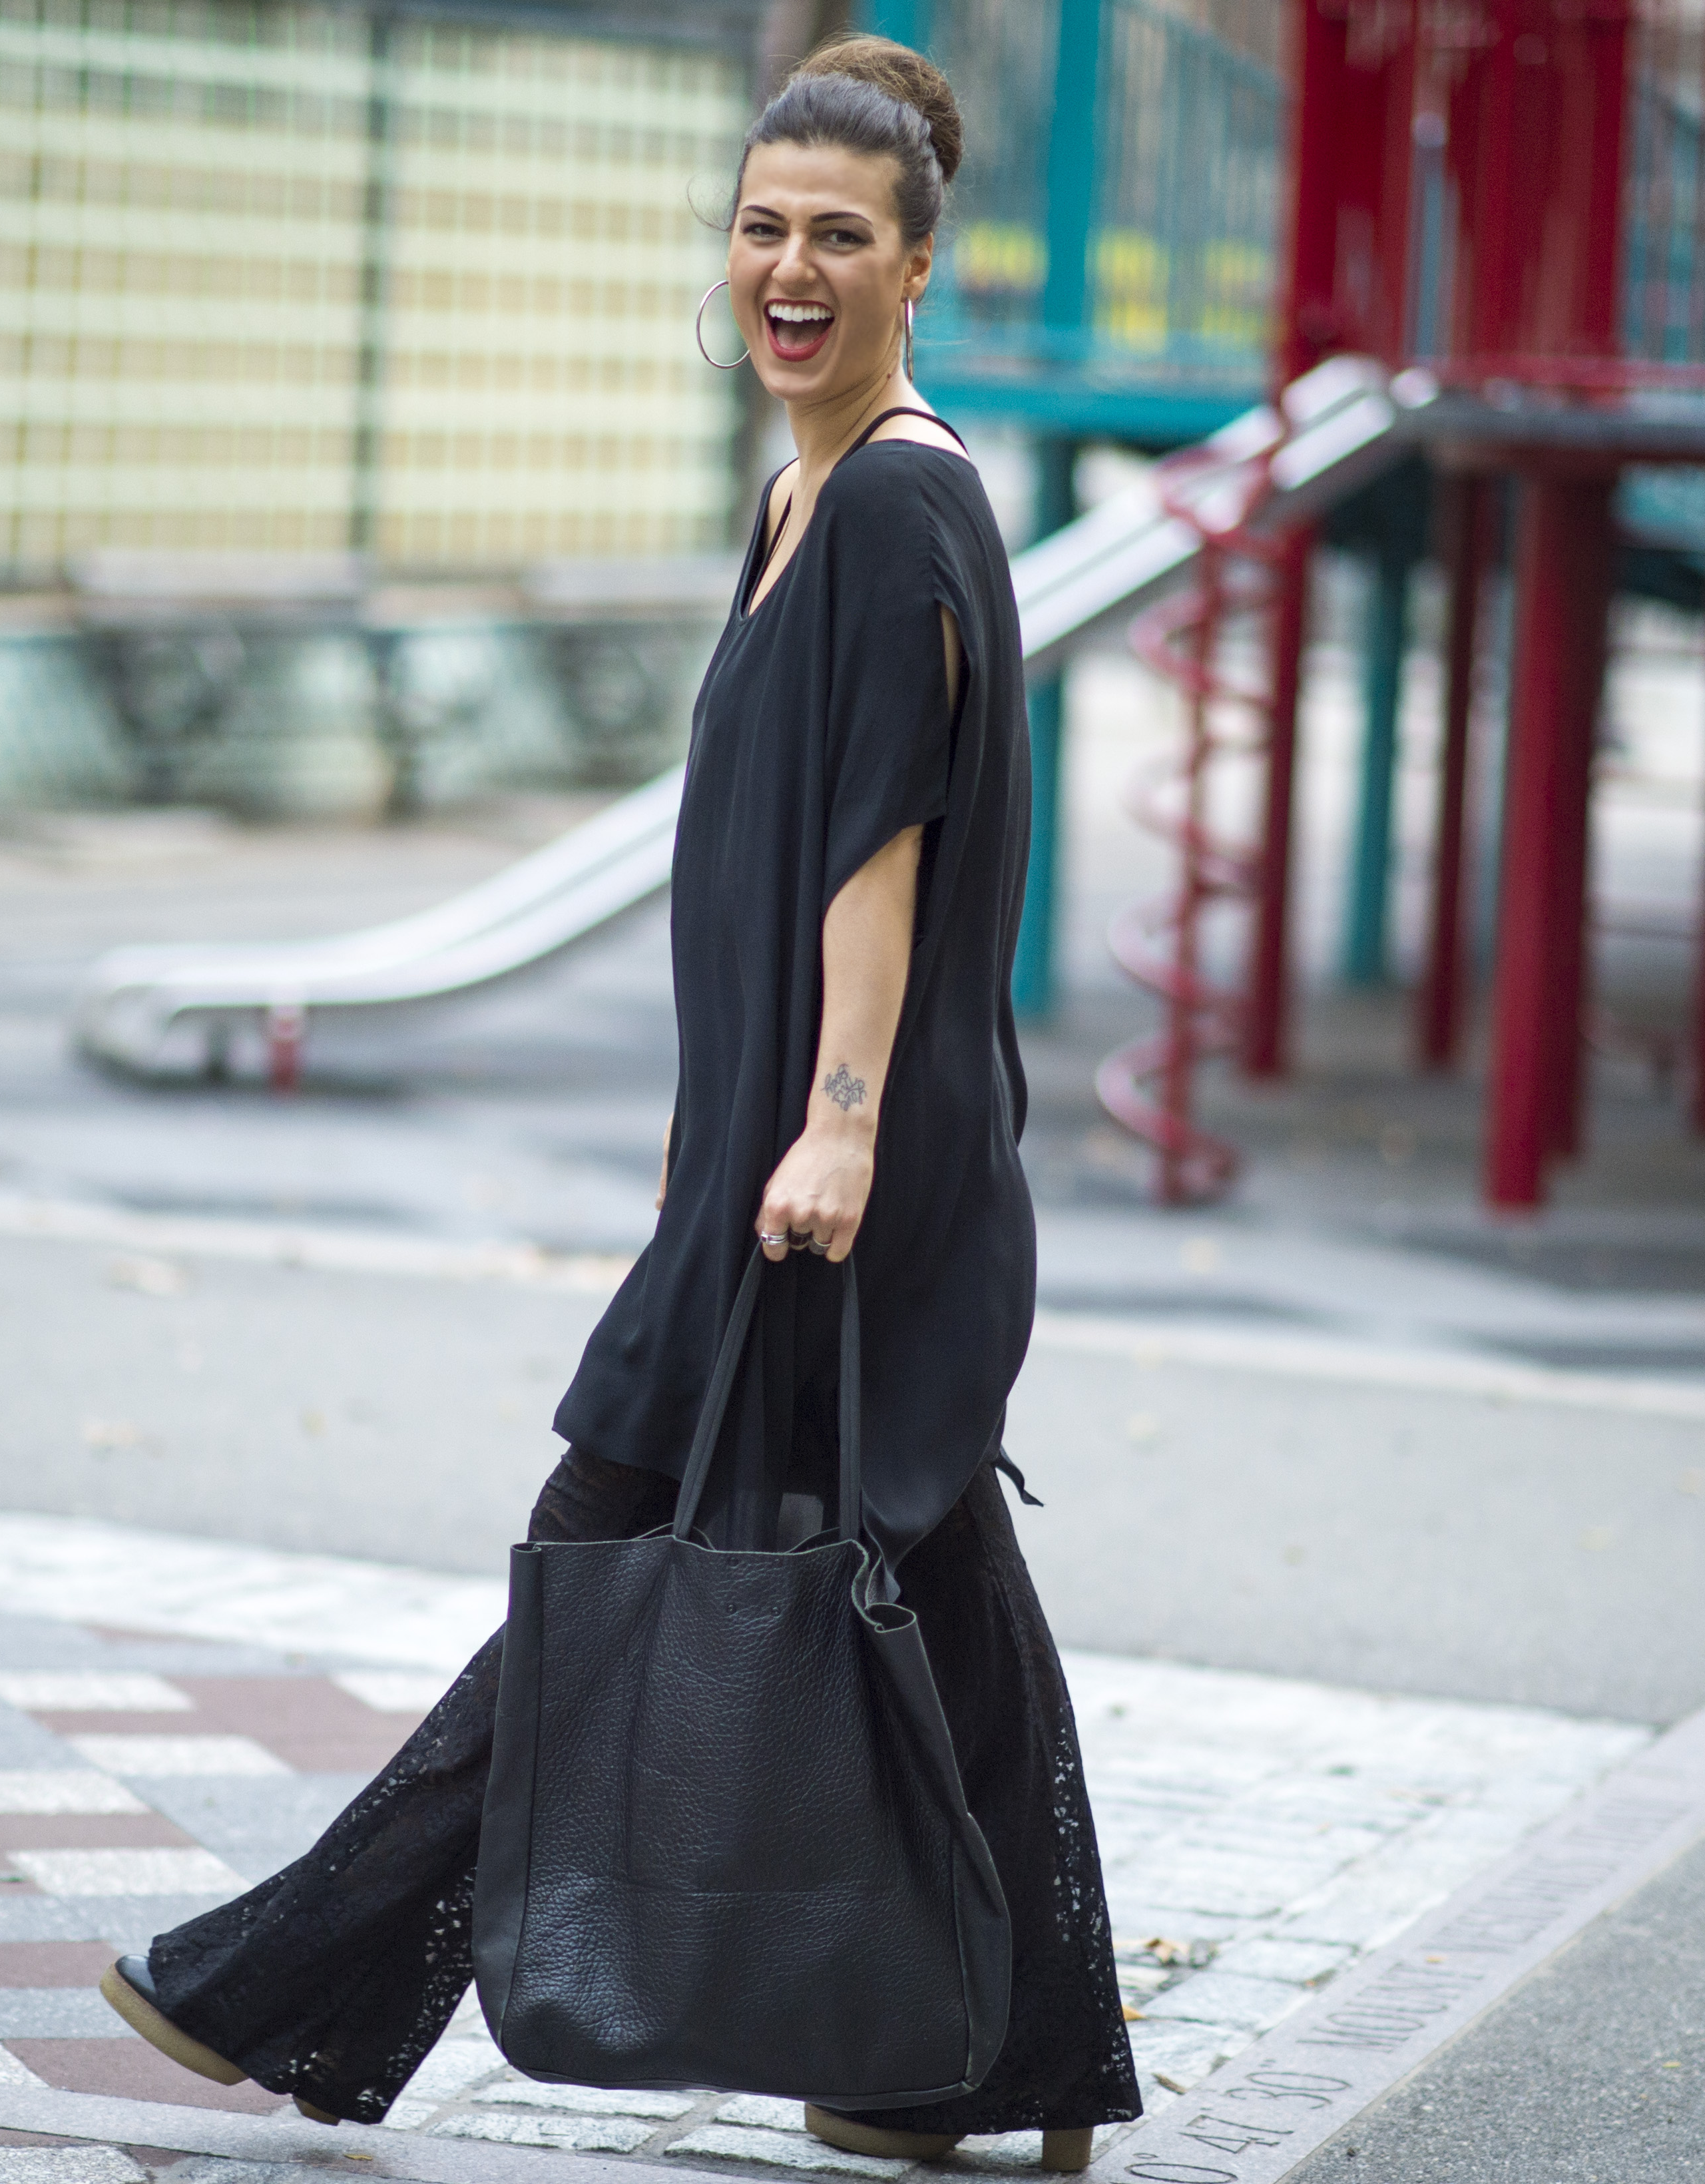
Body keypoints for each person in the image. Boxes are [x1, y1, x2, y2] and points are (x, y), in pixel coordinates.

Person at [96, 35, 1140, 2171]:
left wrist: (832, 1117)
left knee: (608, 1548)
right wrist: (726, 1112)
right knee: (928, 1594)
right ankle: (1001, 2067)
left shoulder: (901, 501)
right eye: (761, 230)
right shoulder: (800, 495)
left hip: (858, 1171)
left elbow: (881, 849)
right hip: (790, 1158)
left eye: (839, 238)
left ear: (916, 268)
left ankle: (294, 1983)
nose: (790, 269)